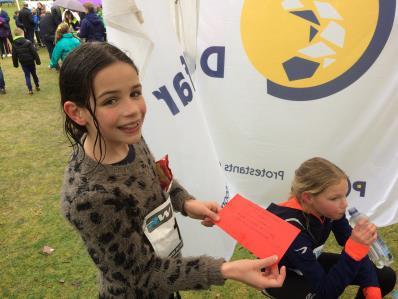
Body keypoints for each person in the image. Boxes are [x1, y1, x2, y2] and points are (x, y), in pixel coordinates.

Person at [60, 42, 286, 298]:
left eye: (135, 93)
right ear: (77, 112)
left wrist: (186, 203)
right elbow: (145, 275)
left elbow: (155, 177)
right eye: (111, 100)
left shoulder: (124, 137)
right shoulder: (89, 198)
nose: (133, 111)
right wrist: (226, 270)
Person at [263, 157, 396, 299]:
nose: (344, 204)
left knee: (384, 276)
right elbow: (325, 294)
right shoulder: (289, 225)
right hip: (282, 276)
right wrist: (353, 251)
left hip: (311, 262)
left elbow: (347, 239)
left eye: (345, 195)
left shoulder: (328, 210)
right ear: (308, 198)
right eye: (334, 198)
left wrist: (371, 285)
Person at [12, 28, 41, 95]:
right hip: (31, 61)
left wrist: (15, 64)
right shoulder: (28, 42)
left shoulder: (14, 44)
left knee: (27, 75)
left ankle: (30, 89)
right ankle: (37, 85)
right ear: (22, 34)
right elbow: (34, 52)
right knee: (34, 73)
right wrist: (37, 60)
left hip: (23, 62)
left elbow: (14, 55)